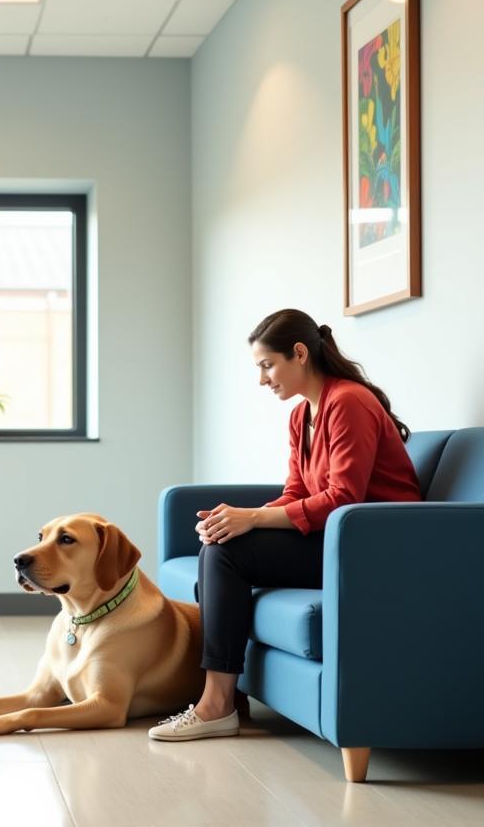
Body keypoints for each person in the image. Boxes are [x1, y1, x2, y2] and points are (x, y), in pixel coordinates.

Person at [148, 308, 422, 741]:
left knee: (225, 554)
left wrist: (253, 519)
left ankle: (217, 704)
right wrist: (234, 522)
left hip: (372, 547)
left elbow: (344, 498)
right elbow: (296, 492)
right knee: (219, 544)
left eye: (266, 365)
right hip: (332, 540)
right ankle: (221, 699)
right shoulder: (301, 416)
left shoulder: (348, 401)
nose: (262, 379)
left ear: (298, 354)